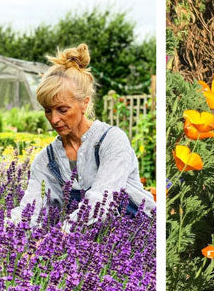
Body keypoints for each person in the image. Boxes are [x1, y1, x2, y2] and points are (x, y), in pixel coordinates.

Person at [10, 43, 154, 224]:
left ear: (84, 103)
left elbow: (102, 200)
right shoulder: (46, 160)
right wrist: (1, 232)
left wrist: (60, 238)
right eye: (48, 111)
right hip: (84, 240)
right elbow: (29, 209)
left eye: (62, 110)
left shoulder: (111, 141)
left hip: (137, 234)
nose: (53, 120)